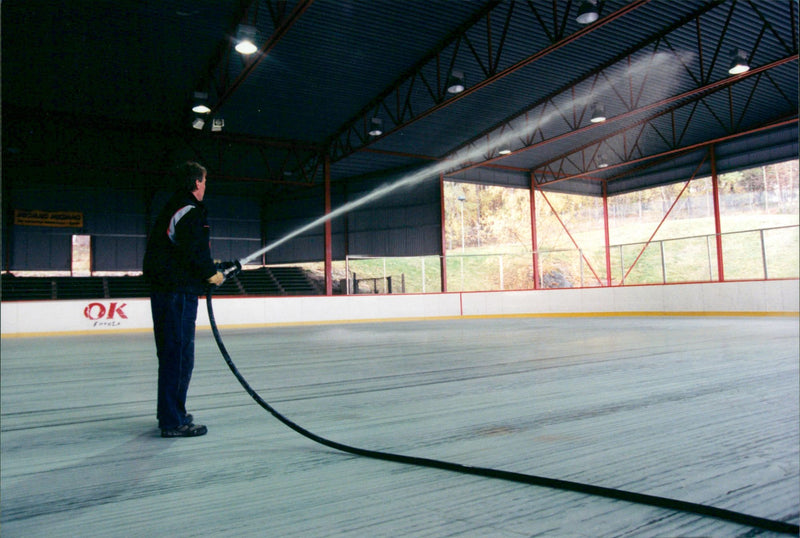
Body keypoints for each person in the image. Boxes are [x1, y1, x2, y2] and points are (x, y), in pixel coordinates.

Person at [143, 161, 224, 438]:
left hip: (169, 291)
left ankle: (170, 412)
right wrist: (210, 273)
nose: (205, 185)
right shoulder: (189, 210)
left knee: (172, 355)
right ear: (197, 182)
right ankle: (173, 421)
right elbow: (194, 249)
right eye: (204, 180)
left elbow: (181, 249)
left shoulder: (174, 207)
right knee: (178, 357)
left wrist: (207, 270)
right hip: (177, 293)